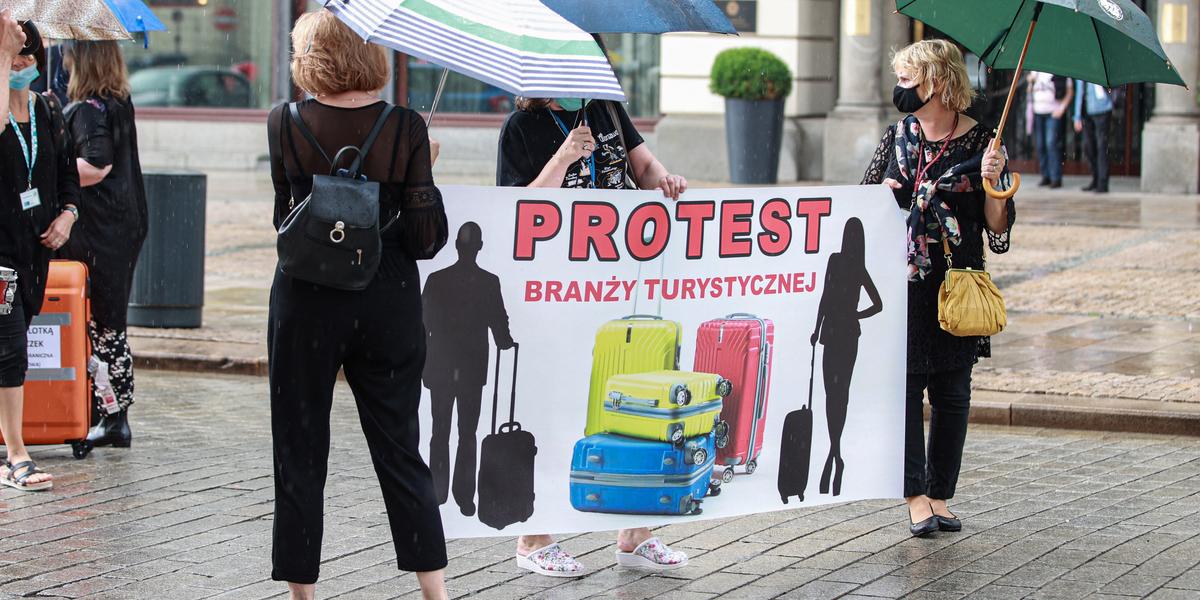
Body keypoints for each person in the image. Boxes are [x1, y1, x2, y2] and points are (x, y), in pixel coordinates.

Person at [266, 11, 449, 600]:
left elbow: (285, 221)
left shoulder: (284, 122)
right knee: (400, 447)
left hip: (306, 299)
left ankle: (302, 595)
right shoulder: (404, 128)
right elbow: (427, 240)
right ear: (370, 55)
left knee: (299, 448)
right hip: (386, 300)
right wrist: (421, 169)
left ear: (309, 58)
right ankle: (434, 592)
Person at [496, 85, 689, 575]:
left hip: (622, 273)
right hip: (560, 281)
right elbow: (520, 208)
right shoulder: (521, 129)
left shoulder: (605, 109)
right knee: (557, 396)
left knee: (631, 391)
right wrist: (562, 157)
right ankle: (534, 536)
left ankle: (635, 532)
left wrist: (665, 180)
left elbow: (641, 166)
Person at [861, 39, 1015, 537]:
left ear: (940, 83)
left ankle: (941, 494)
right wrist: (883, 200)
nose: (902, 88)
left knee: (952, 393)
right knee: (905, 391)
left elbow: (997, 226)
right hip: (903, 282)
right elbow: (861, 211)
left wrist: (993, 182)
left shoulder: (983, 144)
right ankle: (915, 496)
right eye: (901, 78)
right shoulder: (898, 137)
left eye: (911, 79)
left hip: (957, 281)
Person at [0, 18, 80, 491]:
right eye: (14, 56)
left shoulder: (47, 110)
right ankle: (16, 455)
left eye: (29, 56)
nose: (22, 63)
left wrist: (68, 214)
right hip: (0, 254)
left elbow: (68, 174)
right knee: (11, 351)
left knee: (12, 342)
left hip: (35, 253)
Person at [57, 40, 148, 456]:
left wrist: (51, 169)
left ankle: (111, 417)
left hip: (99, 229)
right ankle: (111, 413)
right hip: (122, 223)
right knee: (109, 320)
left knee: (103, 322)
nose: (64, 61)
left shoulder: (90, 109)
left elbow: (95, 165)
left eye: (69, 55)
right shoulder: (117, 102)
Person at [422, 222, 515, 518]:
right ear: (479, 247)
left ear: (458, 247)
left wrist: (422, 363)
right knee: (468, 433)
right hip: (473, 366)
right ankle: (464, 496)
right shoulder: (489, 281)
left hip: (440, 363)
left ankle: (437, 491)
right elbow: (498, 321)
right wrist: (506, 342)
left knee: (440, 431)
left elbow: (422, 324)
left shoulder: (438, 279)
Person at [809, 218, 882, 498]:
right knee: (841, 394)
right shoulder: (857, 267)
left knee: (832, 394)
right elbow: (877, 304)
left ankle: (834, 453)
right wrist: (856, 315)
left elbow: (825, 298)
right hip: (848, 334)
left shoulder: (836, 261)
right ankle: (835, 453)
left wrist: (817, 330)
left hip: (833, 332)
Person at [1026, 71, 1072, 188]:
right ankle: (1045, 175)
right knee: (1040, 145)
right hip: (1038, 112)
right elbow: (1029, 92)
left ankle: (1055, 177)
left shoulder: (1059, 71)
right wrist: (1030, 82)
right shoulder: (1035, 71)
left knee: (1051, 144)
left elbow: (1070, 91)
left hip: (1053, 112)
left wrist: (1062, 108)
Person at [1073, 80, 1113, 194]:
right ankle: (1095, 178)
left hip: (1102, 109)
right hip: (1086, 112)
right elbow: (1079, 93)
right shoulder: (1082, 71)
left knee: (1101, 147)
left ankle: (1103, 182)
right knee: (1089, 147)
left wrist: (1111, 100)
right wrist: (1077, 116)